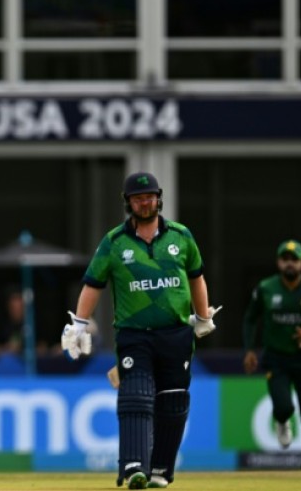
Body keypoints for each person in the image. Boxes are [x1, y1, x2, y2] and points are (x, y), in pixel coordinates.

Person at [60, 172, 219, 489]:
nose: (144, 202)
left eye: (149, 197)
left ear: (159, 198)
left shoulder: (181, 236)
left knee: (172, 402)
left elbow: (196, 277)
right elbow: (93, 283)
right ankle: (134, 466)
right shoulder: (114, 242)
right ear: (128, 203)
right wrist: (78, 325)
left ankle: (160, 471)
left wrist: (202, 317)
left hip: (175, 333)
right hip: (135, 334)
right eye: (137, 198)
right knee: (137, 394)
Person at [242, 239, 301, 470]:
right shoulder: (265, 288)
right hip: (276, 358)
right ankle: (282, 421)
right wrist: (249, 350)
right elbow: (250, 319)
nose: (290, 263)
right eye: (285, 259)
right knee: (284, 408)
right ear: (278, 262)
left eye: (295, 259)